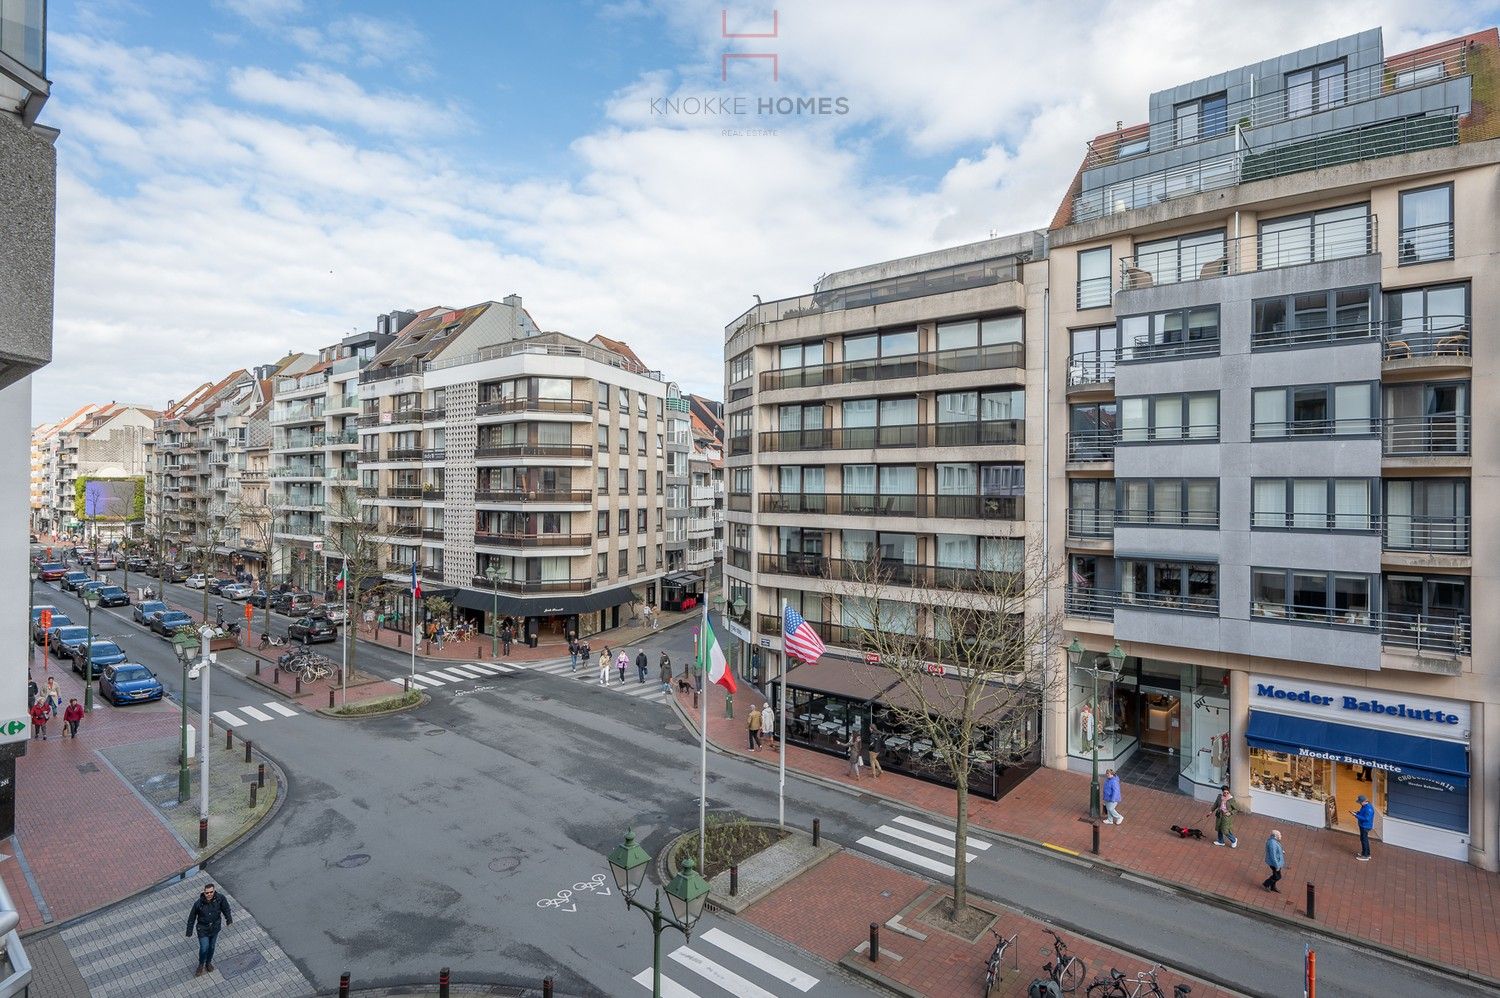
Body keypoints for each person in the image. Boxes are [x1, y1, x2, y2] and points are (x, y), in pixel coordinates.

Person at [185, 881, 233, 976]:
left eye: (211, 892)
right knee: (204, 947)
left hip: (215, 928)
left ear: (214, 891)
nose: (209, 894)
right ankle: (201, 964)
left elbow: (226, 909)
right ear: (204, 892)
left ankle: (208, 963)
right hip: (203, 929)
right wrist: (189, 931)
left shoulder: (220, 898)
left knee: (212, 946)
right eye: (207, 892)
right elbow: (192, 917)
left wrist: (229, 919)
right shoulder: (198, 904)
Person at [1352, 795, 1375, 861]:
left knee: (1364, 840)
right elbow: (1363, 814)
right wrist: (1358, 812)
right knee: (1364, 839)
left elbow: (1366, 818)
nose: (1359, 803)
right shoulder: (1364, 806)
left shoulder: (1368, 809)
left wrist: (1356, 816)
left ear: (1364, 801)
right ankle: (1367, 853)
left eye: (1360, 802)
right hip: (1363, 825)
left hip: (1365, 826)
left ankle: (1365, 856)